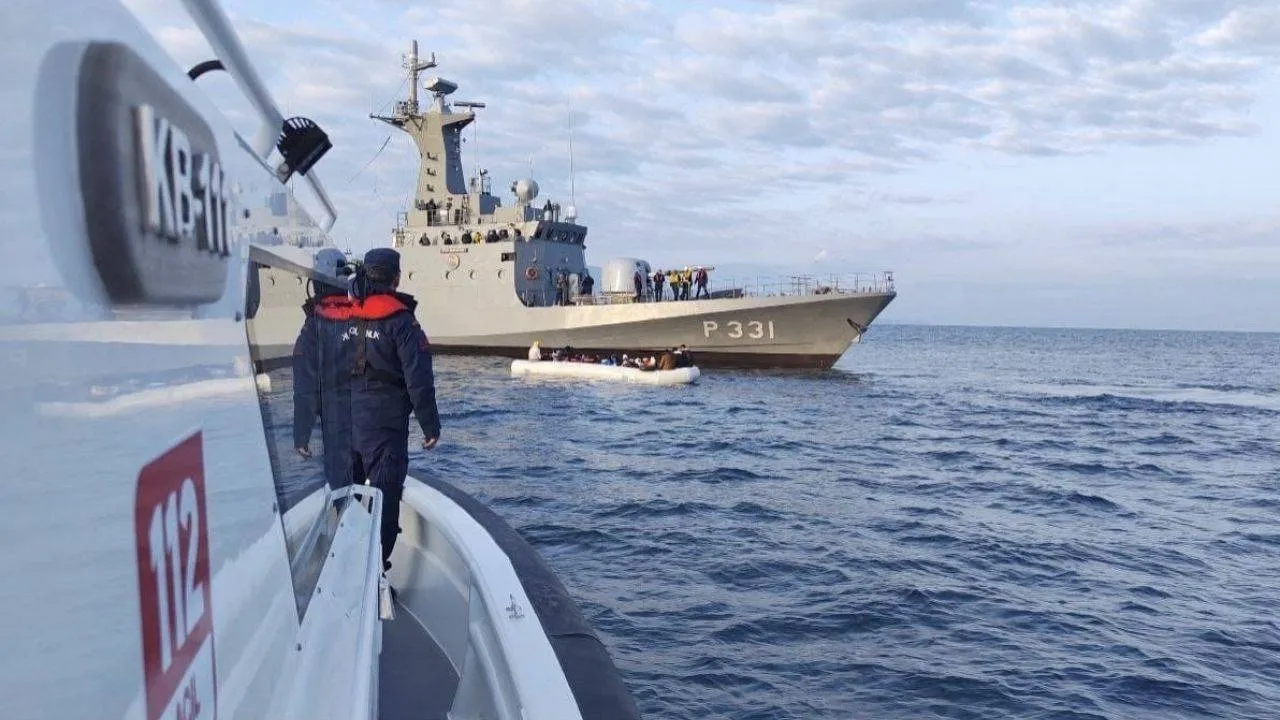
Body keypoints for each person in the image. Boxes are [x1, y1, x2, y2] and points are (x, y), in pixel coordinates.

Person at [345, 248, 441, 571]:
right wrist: (430, 426)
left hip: (346, 425)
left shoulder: (345, 317)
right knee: (385, 503)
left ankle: (349, 564)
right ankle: (374, 575)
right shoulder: (402, 323)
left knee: (348, 498)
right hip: (385, 430)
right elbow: (419, 379)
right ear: (396, 279)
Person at [292, 254, 359, 496]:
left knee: (344, 494)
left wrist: (301, 435)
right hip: (374, 424)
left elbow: (305, 388)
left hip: (336, 427)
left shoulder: (313, 328)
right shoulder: (367, 318)